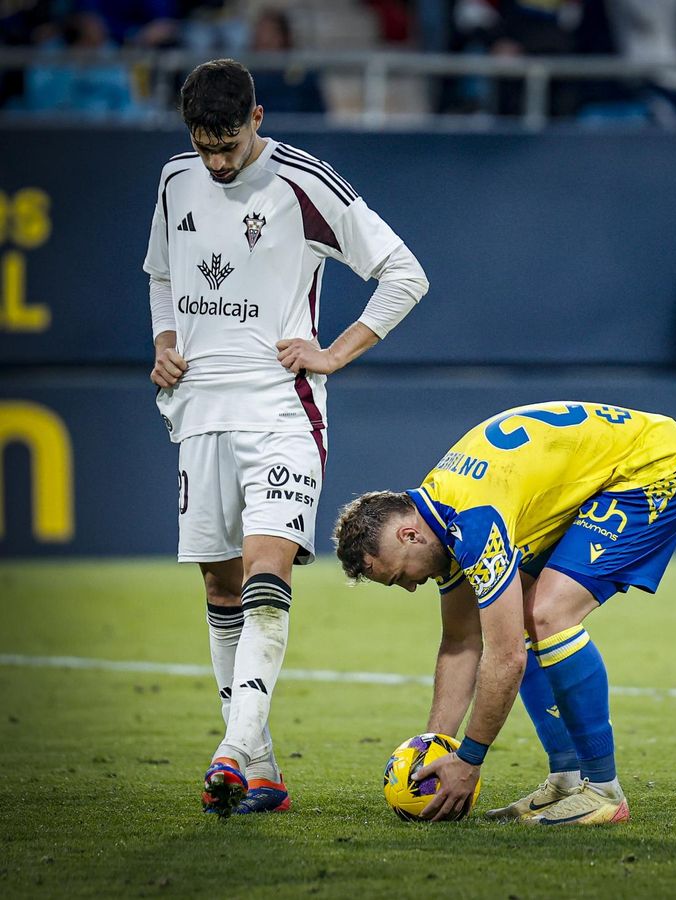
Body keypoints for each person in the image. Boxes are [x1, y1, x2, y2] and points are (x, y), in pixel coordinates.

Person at [145, 58, 429, 815]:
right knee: (220, 585)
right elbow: (162, 273)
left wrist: (334, 351)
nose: (217, 160)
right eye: (205, 145)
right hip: (198, 410)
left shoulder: (307, 184)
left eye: (229, 144)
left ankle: (231, 750)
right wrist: (166, 339)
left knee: (270, 569)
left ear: (258, 119)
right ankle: (262, 772)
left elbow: (404, 274)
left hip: (280, 409)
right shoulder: (176, 180)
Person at [332, 401, 676, 825]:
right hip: (605, 473)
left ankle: (603, 790)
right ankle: (567, 779)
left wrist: (469, 760)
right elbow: (460, 642)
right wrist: (434, 752)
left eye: (400, 575)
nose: (411, 586)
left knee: (547, 616)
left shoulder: (472, 521)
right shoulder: (439, 519)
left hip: (657, 464)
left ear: (409, 535)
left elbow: (506, 656)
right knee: (520, 617)